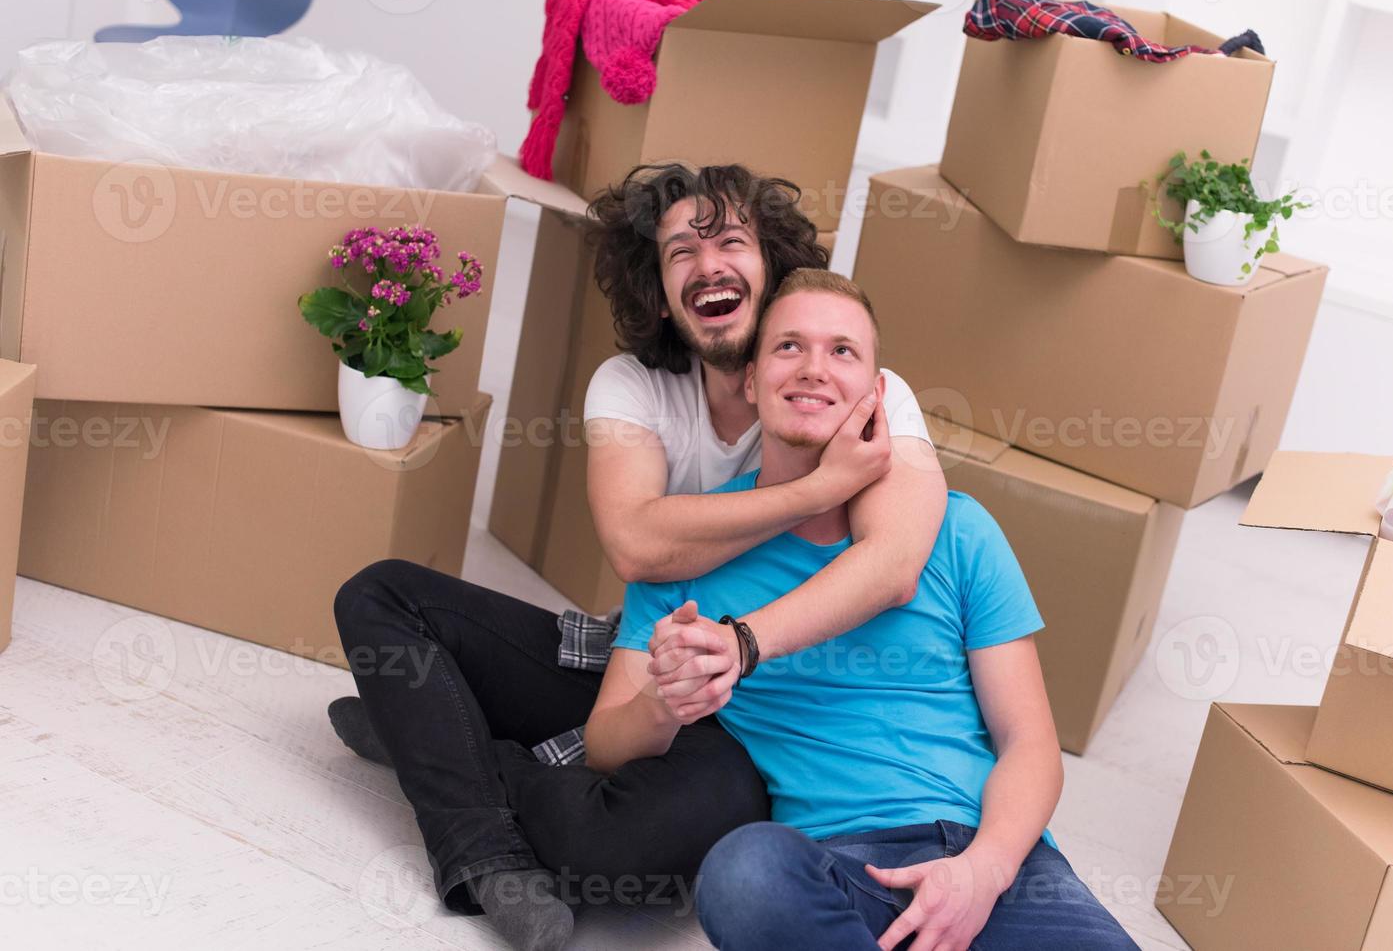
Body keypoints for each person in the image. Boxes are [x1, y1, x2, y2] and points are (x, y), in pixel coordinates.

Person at [330, 163, 949, 950]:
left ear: (773, 270)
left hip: (760, 709)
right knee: (381, 596)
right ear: (659, 293)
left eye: (730, 241)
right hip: (638, 657)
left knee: (616, 864)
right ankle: (484, 850)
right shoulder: (630, 385)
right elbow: (635, 542)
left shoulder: (856, 384)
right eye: (679, 253)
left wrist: (742, 644)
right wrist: (815, 488)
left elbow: (896, 563)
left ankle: (442, 746)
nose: (708, 263)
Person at [590, 269, 1138, 951]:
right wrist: (666, 704)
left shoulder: (957, 532)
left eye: (842, 351)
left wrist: (983, 871)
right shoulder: (690, 552)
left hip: (990, 860)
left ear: (876, 394)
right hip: (837, 869)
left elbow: (1029, 743)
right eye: (788, 347)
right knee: (743, 872)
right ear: (751, 382)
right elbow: (604, 742)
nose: (815, 369)